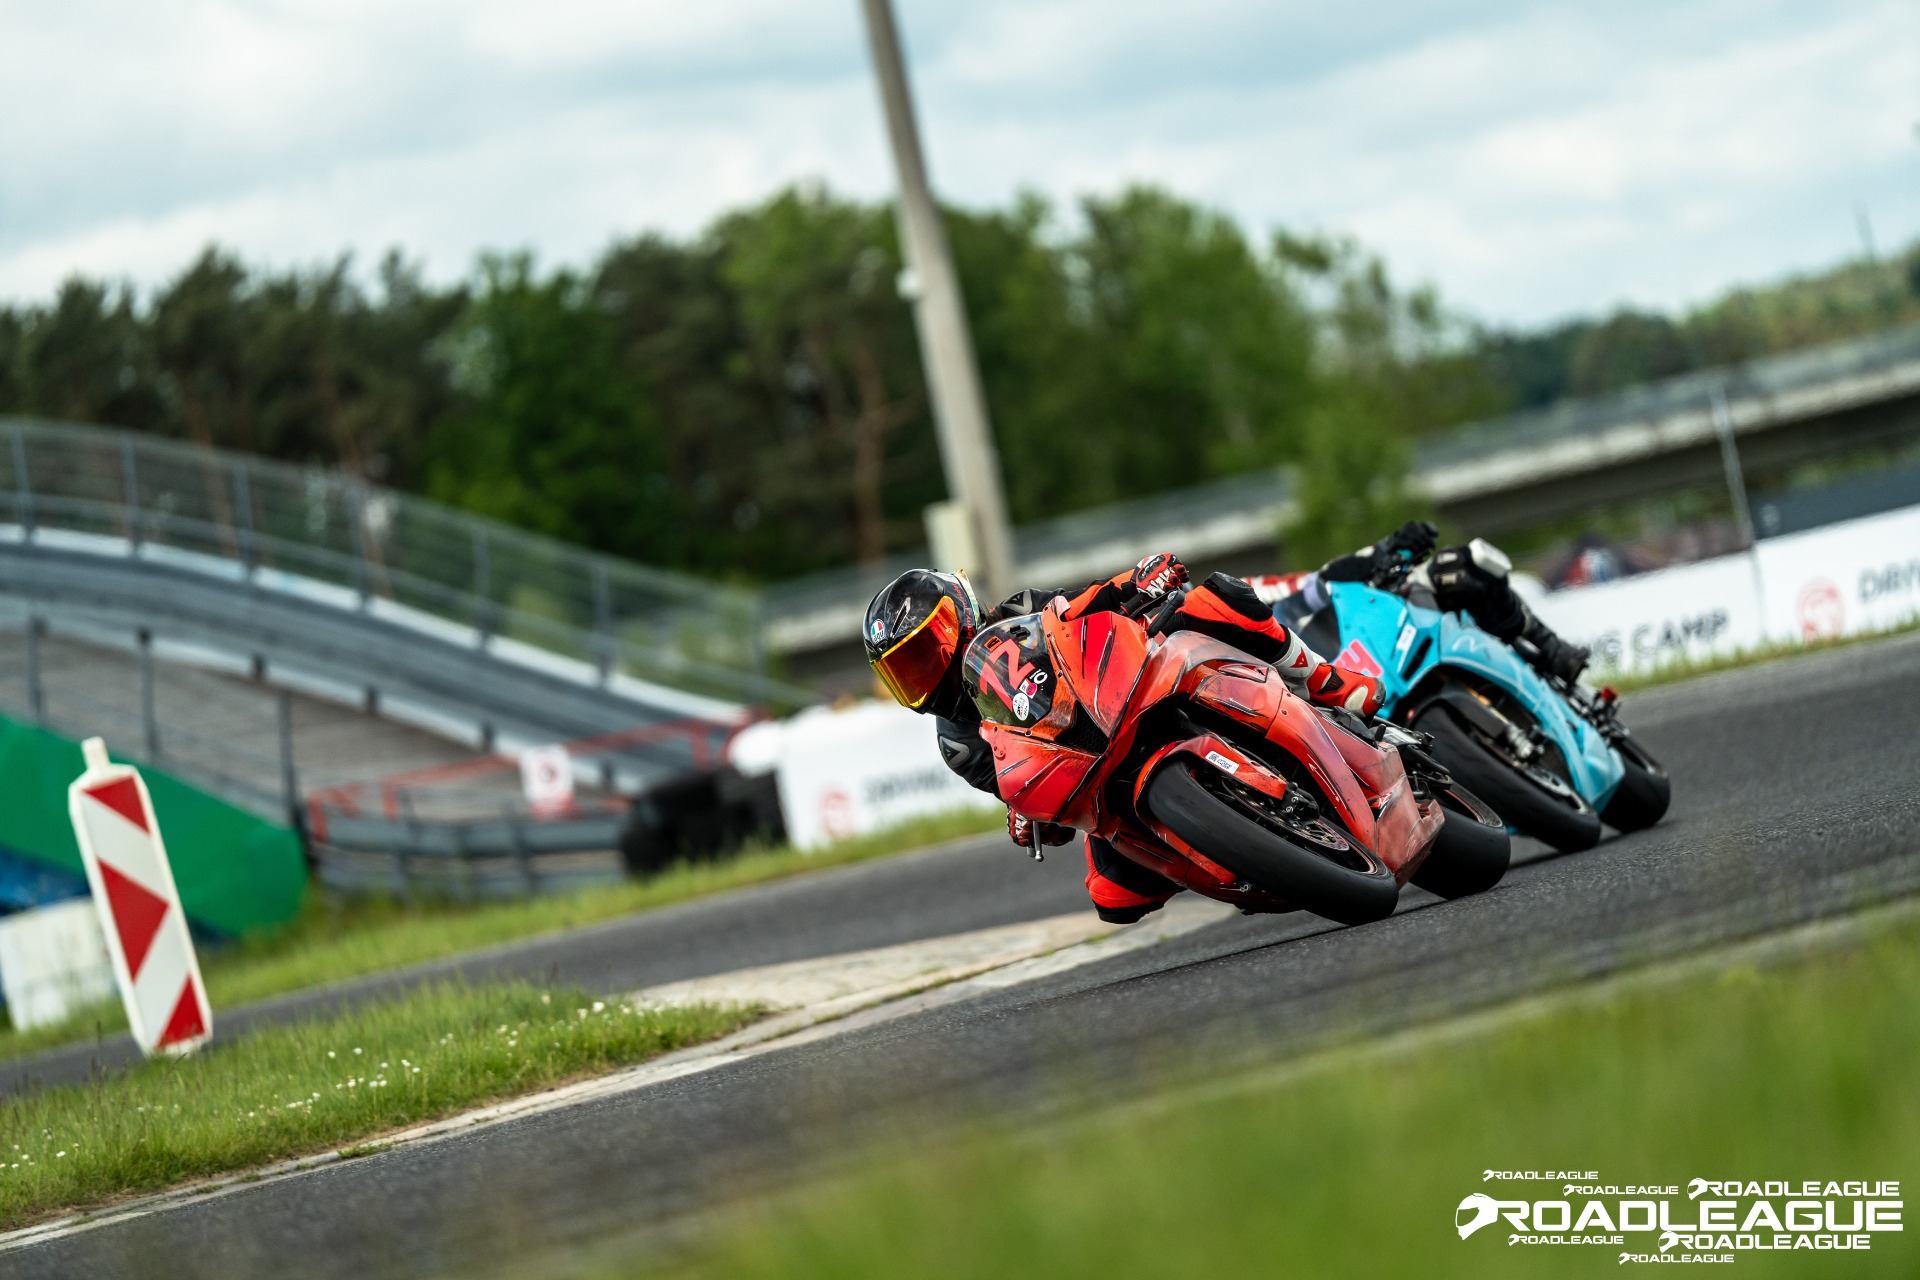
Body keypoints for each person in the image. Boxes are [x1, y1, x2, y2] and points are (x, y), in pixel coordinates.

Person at [862, 555, 1385, 925]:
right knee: (1112, 897)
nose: (928, 672)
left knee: (1216, 598)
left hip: (1127, 686)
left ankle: (1326, 681)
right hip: (1092, 773)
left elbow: (1086, 603)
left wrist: (1138, 579)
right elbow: (1024, 789)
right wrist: (1028, 815)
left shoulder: (1017, 612)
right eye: (907, 670)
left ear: (961, 609)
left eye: (930, 648)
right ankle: (1233, 853)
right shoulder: (959, 746)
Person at [1254, 521, 1591, 684]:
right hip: (1335, 696)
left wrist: (1385, 550)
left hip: (1371, 638)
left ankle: (1550, 647)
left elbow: (1317, 581)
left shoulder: (1239, 595)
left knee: (1454, 568)